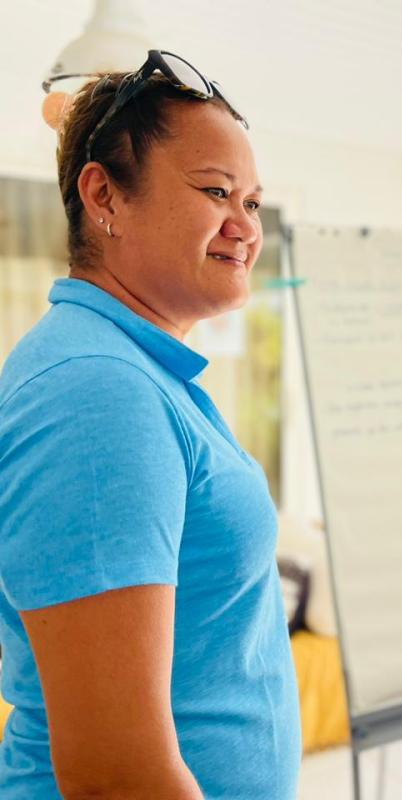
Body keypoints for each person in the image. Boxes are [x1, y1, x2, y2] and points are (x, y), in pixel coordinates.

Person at [0, 51, 301, 799]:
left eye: (254, 203)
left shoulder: (134, 372)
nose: (245, 226)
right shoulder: (96, 392)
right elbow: (117, 779)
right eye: (215, 191)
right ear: (104, 196)